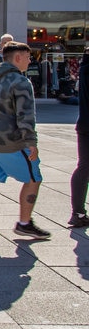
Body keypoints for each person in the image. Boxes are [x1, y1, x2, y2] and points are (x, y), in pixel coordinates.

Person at [0, 41, 51, 240]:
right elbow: (26, 115)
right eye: (27, 56)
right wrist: (31, 142)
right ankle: (25, 222)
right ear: (17, 57)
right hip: (9, 141)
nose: (30, 60)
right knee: (34, 178)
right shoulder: (21, 82)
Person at [70, 49, 89, 228]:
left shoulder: (85, 67)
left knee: (84, 167)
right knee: (84, 167)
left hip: (84, 123)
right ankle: (78, 212)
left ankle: (78, 212)